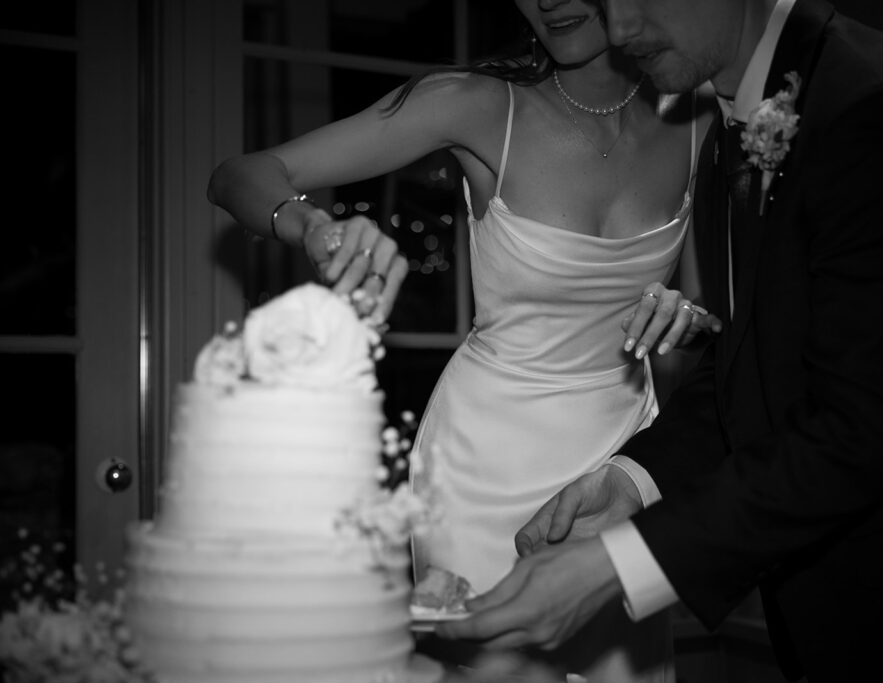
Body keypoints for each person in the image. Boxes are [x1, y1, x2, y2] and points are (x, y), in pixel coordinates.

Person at [437, 1, 883, 682]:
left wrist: (618, 565)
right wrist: (633, 480)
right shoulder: (735, 127)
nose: (621, 31)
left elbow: (858, 430)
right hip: (832, 612)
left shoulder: (881, 116)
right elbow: (753, 372)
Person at [208, 1, 721, 680]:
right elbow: (239, 175)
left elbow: (725, 332)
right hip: (483, 465)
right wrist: (312, 228)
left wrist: (690, 318)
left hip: (622, 462)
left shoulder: (698, 116)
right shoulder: (477, 107)